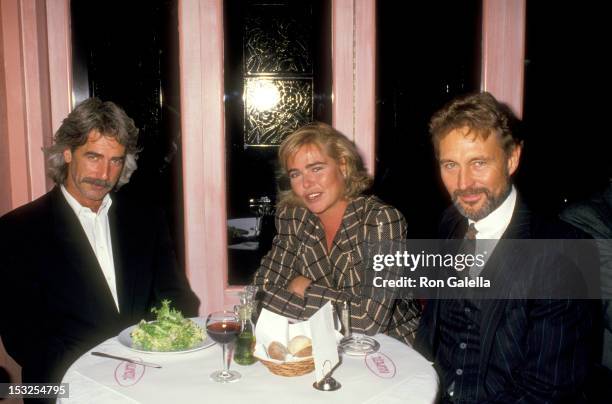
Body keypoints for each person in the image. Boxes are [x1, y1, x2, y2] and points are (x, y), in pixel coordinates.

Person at [0, 98, 199, 385]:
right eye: (94, 157)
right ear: (67, 153)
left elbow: (178, 299)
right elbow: (25, 339)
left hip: (148, 378)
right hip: (66, 386)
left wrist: (161, 357)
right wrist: (98, 379)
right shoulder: (16, 230)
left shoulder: (146, 218)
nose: (104, 175)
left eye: (115, 160)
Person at [415, 92, 596, 402]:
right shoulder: (450, 223)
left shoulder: (563, 256)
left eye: (479, 163)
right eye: (450, 165)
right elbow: (433, 334)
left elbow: (545, 392)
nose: (463, 183)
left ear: (512, 159)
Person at [253, 122, 421, 344]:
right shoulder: (294, 217)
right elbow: (260, 293)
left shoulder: (381, 220)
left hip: (389, 346)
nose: (307, 183)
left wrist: (305, 287)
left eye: (316, 168)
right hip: (322, 342)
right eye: (296, 174)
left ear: (342, 166)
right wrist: (339, 305)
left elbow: (369, 322)